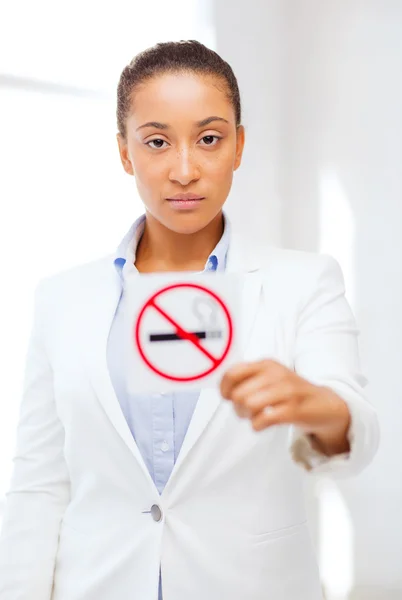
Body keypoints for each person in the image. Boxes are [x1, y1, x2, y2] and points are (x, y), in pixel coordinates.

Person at [0, 40, 379, 600]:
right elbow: (38, 483)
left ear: (239, 145)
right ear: (125, 153)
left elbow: (355, 430)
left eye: (209, 139)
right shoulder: (62, 299)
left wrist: (325, 409)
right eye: (156, 142)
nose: (184, 170)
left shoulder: (304, 282)